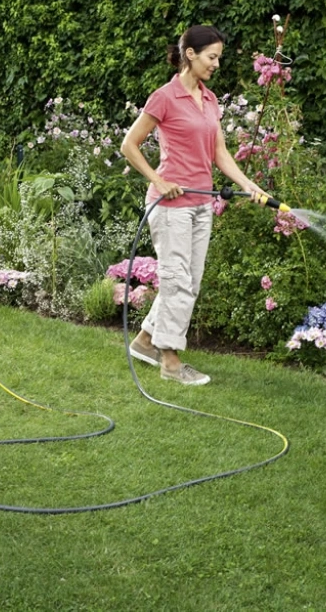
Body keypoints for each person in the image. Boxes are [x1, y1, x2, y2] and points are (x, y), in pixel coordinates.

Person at [120, 25, 272, 386]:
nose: (216, 64)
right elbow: (129, 145)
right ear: (190, 54)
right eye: (211, 57)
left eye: (218, 58)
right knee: (176, 281)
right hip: (171, 206)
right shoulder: (164, 97)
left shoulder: (210, 99)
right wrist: (158, 180)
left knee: (189, 281)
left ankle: (145, 341)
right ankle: (170, 361)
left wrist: (248, 185)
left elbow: (220, 153)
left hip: (202, 203)